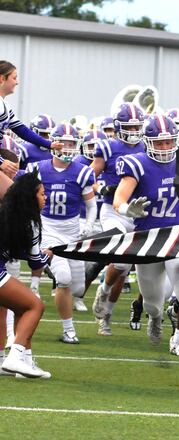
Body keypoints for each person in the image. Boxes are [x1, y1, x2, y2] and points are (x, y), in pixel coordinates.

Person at [113, 114, 179, 373]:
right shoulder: (136, 164)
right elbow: (119, 199)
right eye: (158, 143)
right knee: (152, 303)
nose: (163, 147)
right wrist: (127, 210)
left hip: (177, 237)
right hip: (148, 241)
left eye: (168, 142)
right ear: (147, 143)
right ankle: (155, 318)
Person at [26, 123, 96, 344]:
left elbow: (91, 205)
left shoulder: (83, 171)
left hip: (72, 231)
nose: (67, 148)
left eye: (71, 144)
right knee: (64, 279)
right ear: (54, 144)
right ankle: (69, 329)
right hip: (48, 229)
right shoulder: (38, 169)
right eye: (63, 143)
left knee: (76, 288)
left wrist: (90, 225)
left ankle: (51, 267)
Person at [90, 102, 146, 336]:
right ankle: (103, 289)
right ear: (118, 126)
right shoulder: (107, 147)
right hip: (113, 209)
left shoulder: (147, 146)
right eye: (128, 127)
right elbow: (90, 175)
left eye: (137, 127)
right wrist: (100, 188)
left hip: (139, 212)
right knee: (121, 260)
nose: (133, 132)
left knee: (123, 269)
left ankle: (107, 314)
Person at [0, 173, 51, 378]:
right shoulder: (30, 223)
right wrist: (48, 256)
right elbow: (35, 263)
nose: (45, 198)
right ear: (30, 198)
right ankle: (15, 357)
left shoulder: (5, 213)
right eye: (42, 194)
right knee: (36, 305)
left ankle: (24, 363)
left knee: (20, 306)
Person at [0, 61, 62, 165]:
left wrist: (49, 145)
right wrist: (1, 162)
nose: (17, 82)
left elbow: (22, 130)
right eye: (14, 78)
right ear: (2, 79)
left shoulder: (4, 105)